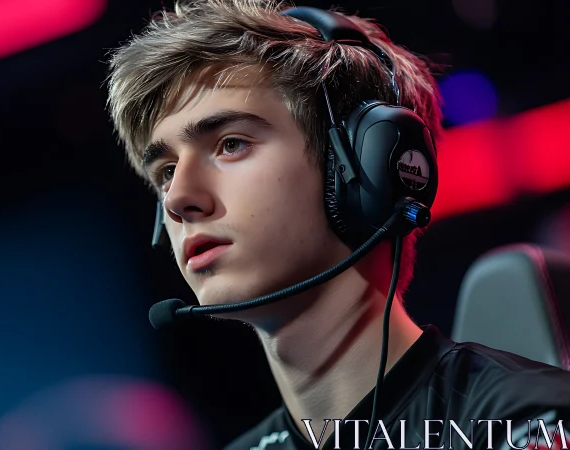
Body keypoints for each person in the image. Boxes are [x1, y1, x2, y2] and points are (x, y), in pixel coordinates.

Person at [105, 1, 570, 449]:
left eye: (230, 144)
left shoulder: (524, 423)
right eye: (165, 172)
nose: (180, 198)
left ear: (363, 172)